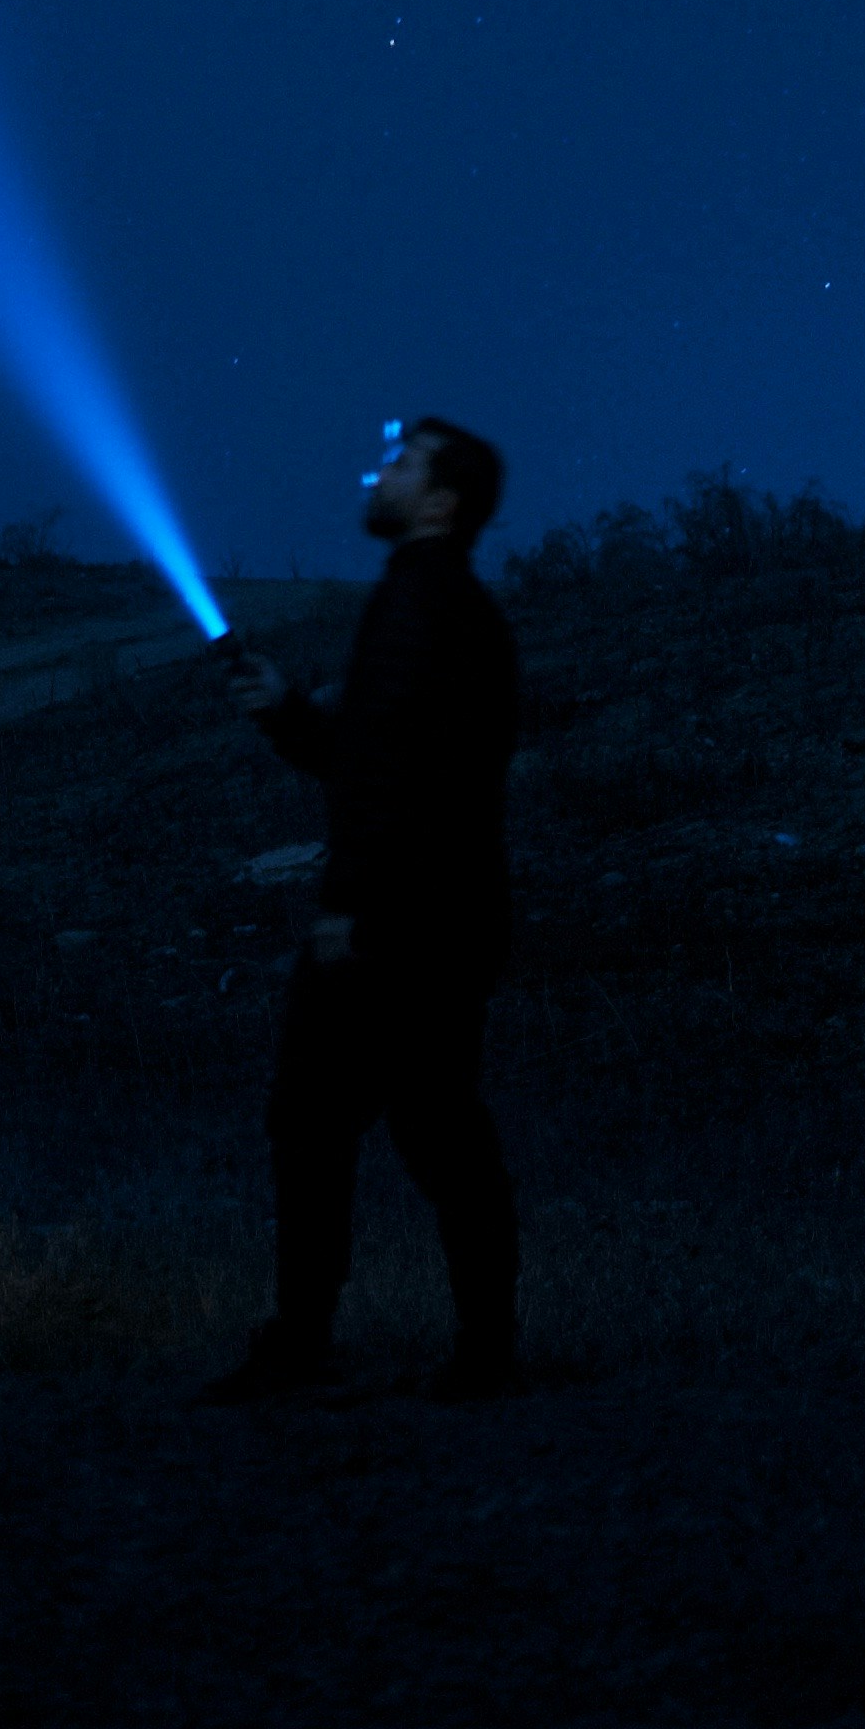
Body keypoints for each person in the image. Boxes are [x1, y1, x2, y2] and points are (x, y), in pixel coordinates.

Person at [203, 410, 521, 1403]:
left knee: (341, 1121)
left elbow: (390, 780)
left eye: (403, 463)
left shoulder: (423, 608)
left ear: (441, 500)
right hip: (439, 913)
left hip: (402, 919)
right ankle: (477, 1346)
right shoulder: (439, 604)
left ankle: (314, 1345)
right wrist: (289, 713)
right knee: (417, 1121)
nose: (378, 472)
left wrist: (350, 906)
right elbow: (371, 760)